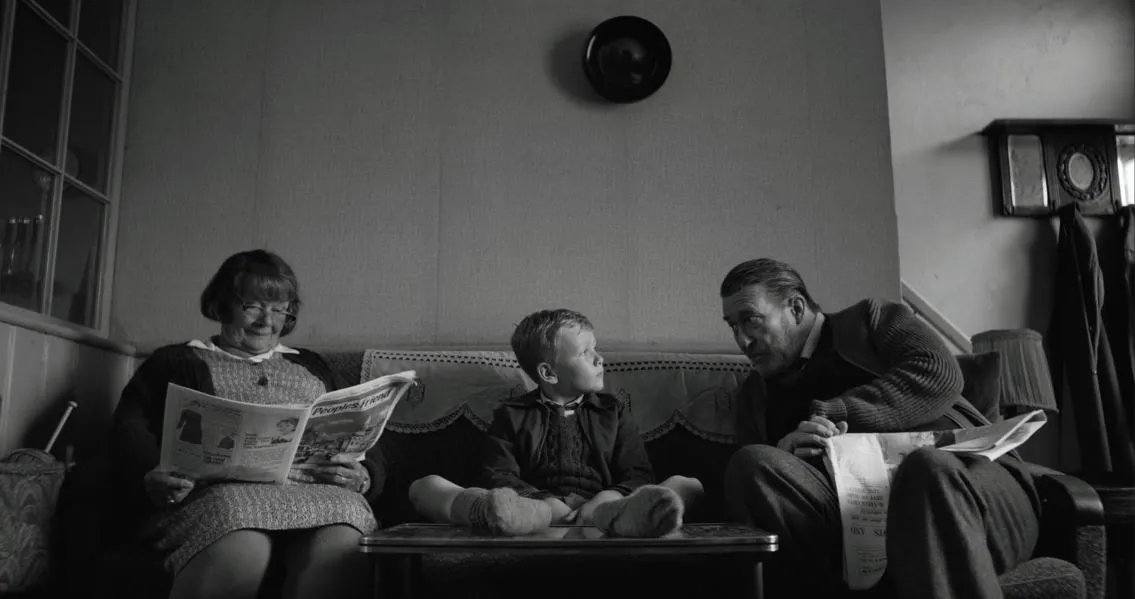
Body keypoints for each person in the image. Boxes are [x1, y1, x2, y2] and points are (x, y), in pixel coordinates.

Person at [719, 258, 1039, 599]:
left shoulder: (870, 319)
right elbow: (747, 495)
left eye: (750, 320)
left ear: (796, 308)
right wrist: (785, 454)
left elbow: (940, 374)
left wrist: (837, 412)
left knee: (927, 468)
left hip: (966, 486)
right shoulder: (753, 395)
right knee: (752, 464)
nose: (742, 340)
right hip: (859, 525)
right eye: (732, 326)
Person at [107, 249, 378, 599]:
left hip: (318, 493)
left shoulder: (314, 365)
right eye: (253, 306)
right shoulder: (175, 361)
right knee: (240, 534)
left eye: (279, 309)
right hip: (219, 496)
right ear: (223, 304)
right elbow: (128, 429)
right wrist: (150, 473)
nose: (267, 320)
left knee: (345, 534)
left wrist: (363, 475)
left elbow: (363, 435)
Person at [408, 309, 703, 537]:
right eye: (586, 352)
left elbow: (638, 473)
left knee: (689, 485)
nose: (599, 358)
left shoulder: (613, 412)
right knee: (424, 486)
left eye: (596, 348)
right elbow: (497, 475)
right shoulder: (511, 414)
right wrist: (544, 503)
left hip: (603, 508)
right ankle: (489, 512)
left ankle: (625, 517)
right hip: (532, 512)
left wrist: (607, 497)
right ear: (549, 373)